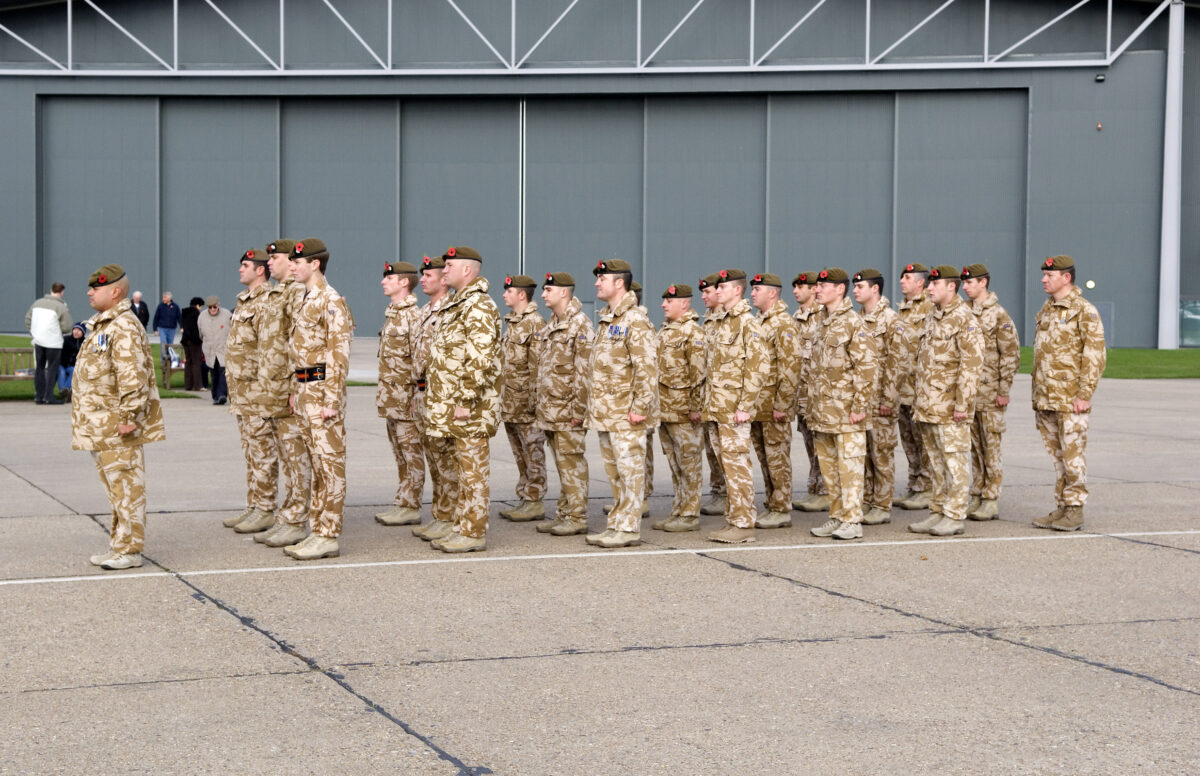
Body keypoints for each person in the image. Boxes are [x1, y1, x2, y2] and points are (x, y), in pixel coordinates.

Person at [72, 264, 165, 570]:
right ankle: (119, 545)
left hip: (117, 424)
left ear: (114, 292)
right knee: (116, 490)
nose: (89, 292)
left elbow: (132, 376)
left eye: (95, 288)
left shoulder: (123, 325)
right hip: (101, 425)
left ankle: (130, 550)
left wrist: (129, 416)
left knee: (127, 488)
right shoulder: (104, 324)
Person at [425, 246, 501, 553]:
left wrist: (465, 401)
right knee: (462, 473)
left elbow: (479, 359)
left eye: (450, 266)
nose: (444, 271)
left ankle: (473, 532)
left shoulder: (478, 305)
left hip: (471, 408)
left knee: (473, 474)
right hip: (453, 406)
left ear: (467, 270)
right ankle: (460, 526)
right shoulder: (457, 304)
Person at [285, 238, 352, 560]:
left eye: (297, 262)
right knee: (316, 464)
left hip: (322, 391)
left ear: (314, 264)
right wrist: (295, 390)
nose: (292, 267)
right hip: (305, 389)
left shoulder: (330, 300)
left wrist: (332, 400)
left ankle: (328, 535)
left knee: (329, 465)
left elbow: (338, 353)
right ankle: (318, 530)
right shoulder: (306, 298)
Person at [244, 238, 312, 548]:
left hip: (288, 390)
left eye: (276, 258)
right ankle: (287, 517)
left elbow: (301, 343)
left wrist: (296, 387)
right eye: (269, 259)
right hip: (272, 390)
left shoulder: (296, 293)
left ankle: (296, 521)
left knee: (297, 459)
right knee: (286, 458)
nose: (269, 262)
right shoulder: (277, 294)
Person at [1031, 254, 1106, 532]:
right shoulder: (1048, 309)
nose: (1043, 279)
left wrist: (1084, 394)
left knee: (1073, 456)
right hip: (1046, 397)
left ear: (1066, 278)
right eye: (1044, 274)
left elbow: (1095, 354)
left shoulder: (1084, 310)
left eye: (1049, 275)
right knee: (1059, 458)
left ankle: (1075, 509)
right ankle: (1063, 506)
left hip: (1070, 398)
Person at [906, 265, 983, 537]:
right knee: (936, 463)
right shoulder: (932, 316)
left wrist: (963, 404)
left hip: (951, 407)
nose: (929, 288)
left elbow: (971, 365)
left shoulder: (964, 318)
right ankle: (938, 510)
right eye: (929, 284)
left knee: (955, 463)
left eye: (934, 284)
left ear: (951, 286)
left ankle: (954, 515)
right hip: (929, 406)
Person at [586, 259, 657, 548]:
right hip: (608, 413)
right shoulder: (609, 319)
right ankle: (617, 523)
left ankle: (629, 528)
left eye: (602, 279)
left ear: (619, 283)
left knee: (630, 472)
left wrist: (640, 407)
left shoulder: (634, 320)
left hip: (627, 414)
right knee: (615, 474)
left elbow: (647, 367)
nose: (596, 283)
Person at [808, 268, 878, 541]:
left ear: (839, 289)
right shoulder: (821, 322)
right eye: (817, 285)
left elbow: (866, 367)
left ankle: (852, 520)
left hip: (847, 412)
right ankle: (837, 516)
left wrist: (860, 406)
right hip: (824, 413)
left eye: (823, 285)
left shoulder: (853, 322)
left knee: (850, 469)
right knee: (830, 469)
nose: (817, 289)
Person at [223, 248, 286, 538]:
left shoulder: (266, 301)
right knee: (251, 450)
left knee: (263, 451)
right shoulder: (245, 301)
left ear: (260, 270)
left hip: (258, 391)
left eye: (245, 265)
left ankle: (265, 508)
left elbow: (268, 348)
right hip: (242, 391)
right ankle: (254, 504)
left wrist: (267, 390)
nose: (240, 269)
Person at [704, 268, 767, 544]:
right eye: (717, 287)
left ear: (737, 290)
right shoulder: (723, 322)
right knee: (727, 467)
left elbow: (758, 366)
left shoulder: (747, 323)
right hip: (718, 409)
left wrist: (745, 405)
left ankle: (744, 524)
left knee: (738, 466)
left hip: (734, 410)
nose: (718, 291)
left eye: (723, 287)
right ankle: (733, 519)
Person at [533, 272, 595, 537]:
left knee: (572, 464)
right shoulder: (553, 323)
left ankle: (577, 516)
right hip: (551, 410)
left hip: (568, 411)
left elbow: (584, 372)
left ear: (563, 293)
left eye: (548, 290)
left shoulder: (580, 324)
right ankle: (565, 513)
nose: (543, 294)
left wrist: (578, 411)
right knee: (562, 465)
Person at [960, 263, 1020, 521]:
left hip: (990, 393)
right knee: (974, 448)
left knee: (991, 448)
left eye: (969, 282)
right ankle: (977, 492)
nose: (965, 287)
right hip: (969, 395)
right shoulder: (963, 312)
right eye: (963, 283)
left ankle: (991, 498)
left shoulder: (998, 314)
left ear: (983, 282)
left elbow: (1010, 354)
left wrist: (1003, 389)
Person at [411, 254, 459, 543]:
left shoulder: (450, 310)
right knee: (433, 459)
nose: (423, 279)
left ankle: (451, 516)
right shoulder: (423, 311)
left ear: (444, 280)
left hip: (440, 394)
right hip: (422, 394)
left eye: (429, 275)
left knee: (447, 459)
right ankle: (441, 514)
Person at [651, 283, 706, 532]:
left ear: (683, 304)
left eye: (669, 301)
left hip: (684, 411)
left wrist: (696, 407)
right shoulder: (665, 331)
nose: (664, 305)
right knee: (675, 464)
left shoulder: (693, 332)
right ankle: (679, 509)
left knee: (689, 463)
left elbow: (699, 374)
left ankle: (690, 514)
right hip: (666, 410)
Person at [749, 273, 801, 529]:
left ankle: (781, 508)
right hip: (759, 405)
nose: (752, 293)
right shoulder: (759, 321)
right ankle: (772, 502)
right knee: (765, 458)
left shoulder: (783, 323)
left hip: (774, 406)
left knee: (777, 457)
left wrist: (782, 404)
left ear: (772, 293)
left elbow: (791, 366)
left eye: (757, 289)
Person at [374, 260, 424, 527]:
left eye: (389, 278)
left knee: (411, 454)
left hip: (406, 400)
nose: (383, 282)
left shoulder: (413, 316)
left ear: (404, 282)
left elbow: (419, 360)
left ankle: (411, 505)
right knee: (400, 455)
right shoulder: (393, 314)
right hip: (391, 400)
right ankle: (402, 501)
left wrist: (417, 395)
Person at [497, 274, 548, 523]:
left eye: (509, 291)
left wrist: (535, 404)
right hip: (511, 403)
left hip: (527, 405)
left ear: (521, 294)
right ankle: (525, 496)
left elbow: (538, 368)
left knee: (533, 451)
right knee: (520, 454)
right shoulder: (513, 323)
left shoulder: (534, 323)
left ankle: (534, 500)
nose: (504, 294)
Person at [852, 269, 900, 526]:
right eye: (854, 286)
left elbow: (897, 362)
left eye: (860, 286)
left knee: (881, 454)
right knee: (864, 455)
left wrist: (888, 399)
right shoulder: (856, 319)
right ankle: (867, 500)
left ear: (875, 289)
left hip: (881, 401)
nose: (855, 290)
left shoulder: (891, 319)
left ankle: (882, 504)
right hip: (862, 402)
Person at [886, 263, 935, 510]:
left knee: (924, 441)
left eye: (907, 278)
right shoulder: (902, 309)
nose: (902, 282)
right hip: (903, 388)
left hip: (919, 388)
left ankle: (927, 487)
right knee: (908, 440)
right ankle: (914, 483)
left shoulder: (930, 307)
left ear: (920, 283)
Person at [791, 272, 830, 512]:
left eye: (801, 286)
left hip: (818, 395)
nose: (796, 291)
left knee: (822, 445)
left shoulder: (823, 316)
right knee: (809, 444)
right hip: (802, 394)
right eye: (795, 287)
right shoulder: (797, 318)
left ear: (814, 289)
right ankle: (814, 488)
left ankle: (825, 491)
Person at [697, 273, 728, 517]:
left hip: (724, 399)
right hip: (708, 398)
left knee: (726, 454)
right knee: (711, 451)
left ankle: (728, 495)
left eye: (708, 292)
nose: (704, 296)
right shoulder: (708, 321)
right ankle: (719, 492)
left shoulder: (728, 321)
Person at [25, 281, 72, 405]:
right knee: (52, 369)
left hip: (38, 340)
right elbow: (67, 327)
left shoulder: (37, 303)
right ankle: (48, 396)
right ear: (62, 292)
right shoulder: (61, 307)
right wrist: (56, 330)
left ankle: (39, 396)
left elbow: (28, 320)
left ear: (51, 290)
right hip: (53, 342)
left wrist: (34, 332)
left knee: (39, 369)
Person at [197, 295, 231, 405]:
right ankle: (215, 396)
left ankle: (222, 395)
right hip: (210, 349)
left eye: (214, 307)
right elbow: (200, 334)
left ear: (218, 305)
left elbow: (233, 331)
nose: (212, 309)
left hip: (223, 349)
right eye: (210, 307)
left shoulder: (227, 315)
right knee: (213, 373)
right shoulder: (202, 316)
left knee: (222, 372)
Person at [180, 297, 206, 390]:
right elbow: (198, 328)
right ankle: (198, 385)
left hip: (185, 340)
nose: (201, 308)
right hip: (194, 341)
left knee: (188, 362)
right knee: (196, 363)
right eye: (201, 306)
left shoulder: (185, 313)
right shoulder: (196, 314)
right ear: (197, 305)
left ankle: (188, 385)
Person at [57, 322, 86, 401]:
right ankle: (65, 393)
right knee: (61, 372)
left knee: (73, 370)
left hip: (72, 366)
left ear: (83, 332)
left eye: (79, 330)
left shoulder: (84, 342)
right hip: (61, 364)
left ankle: (65, 391)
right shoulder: (66, 339)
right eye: (74, 329)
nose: (76, 332)